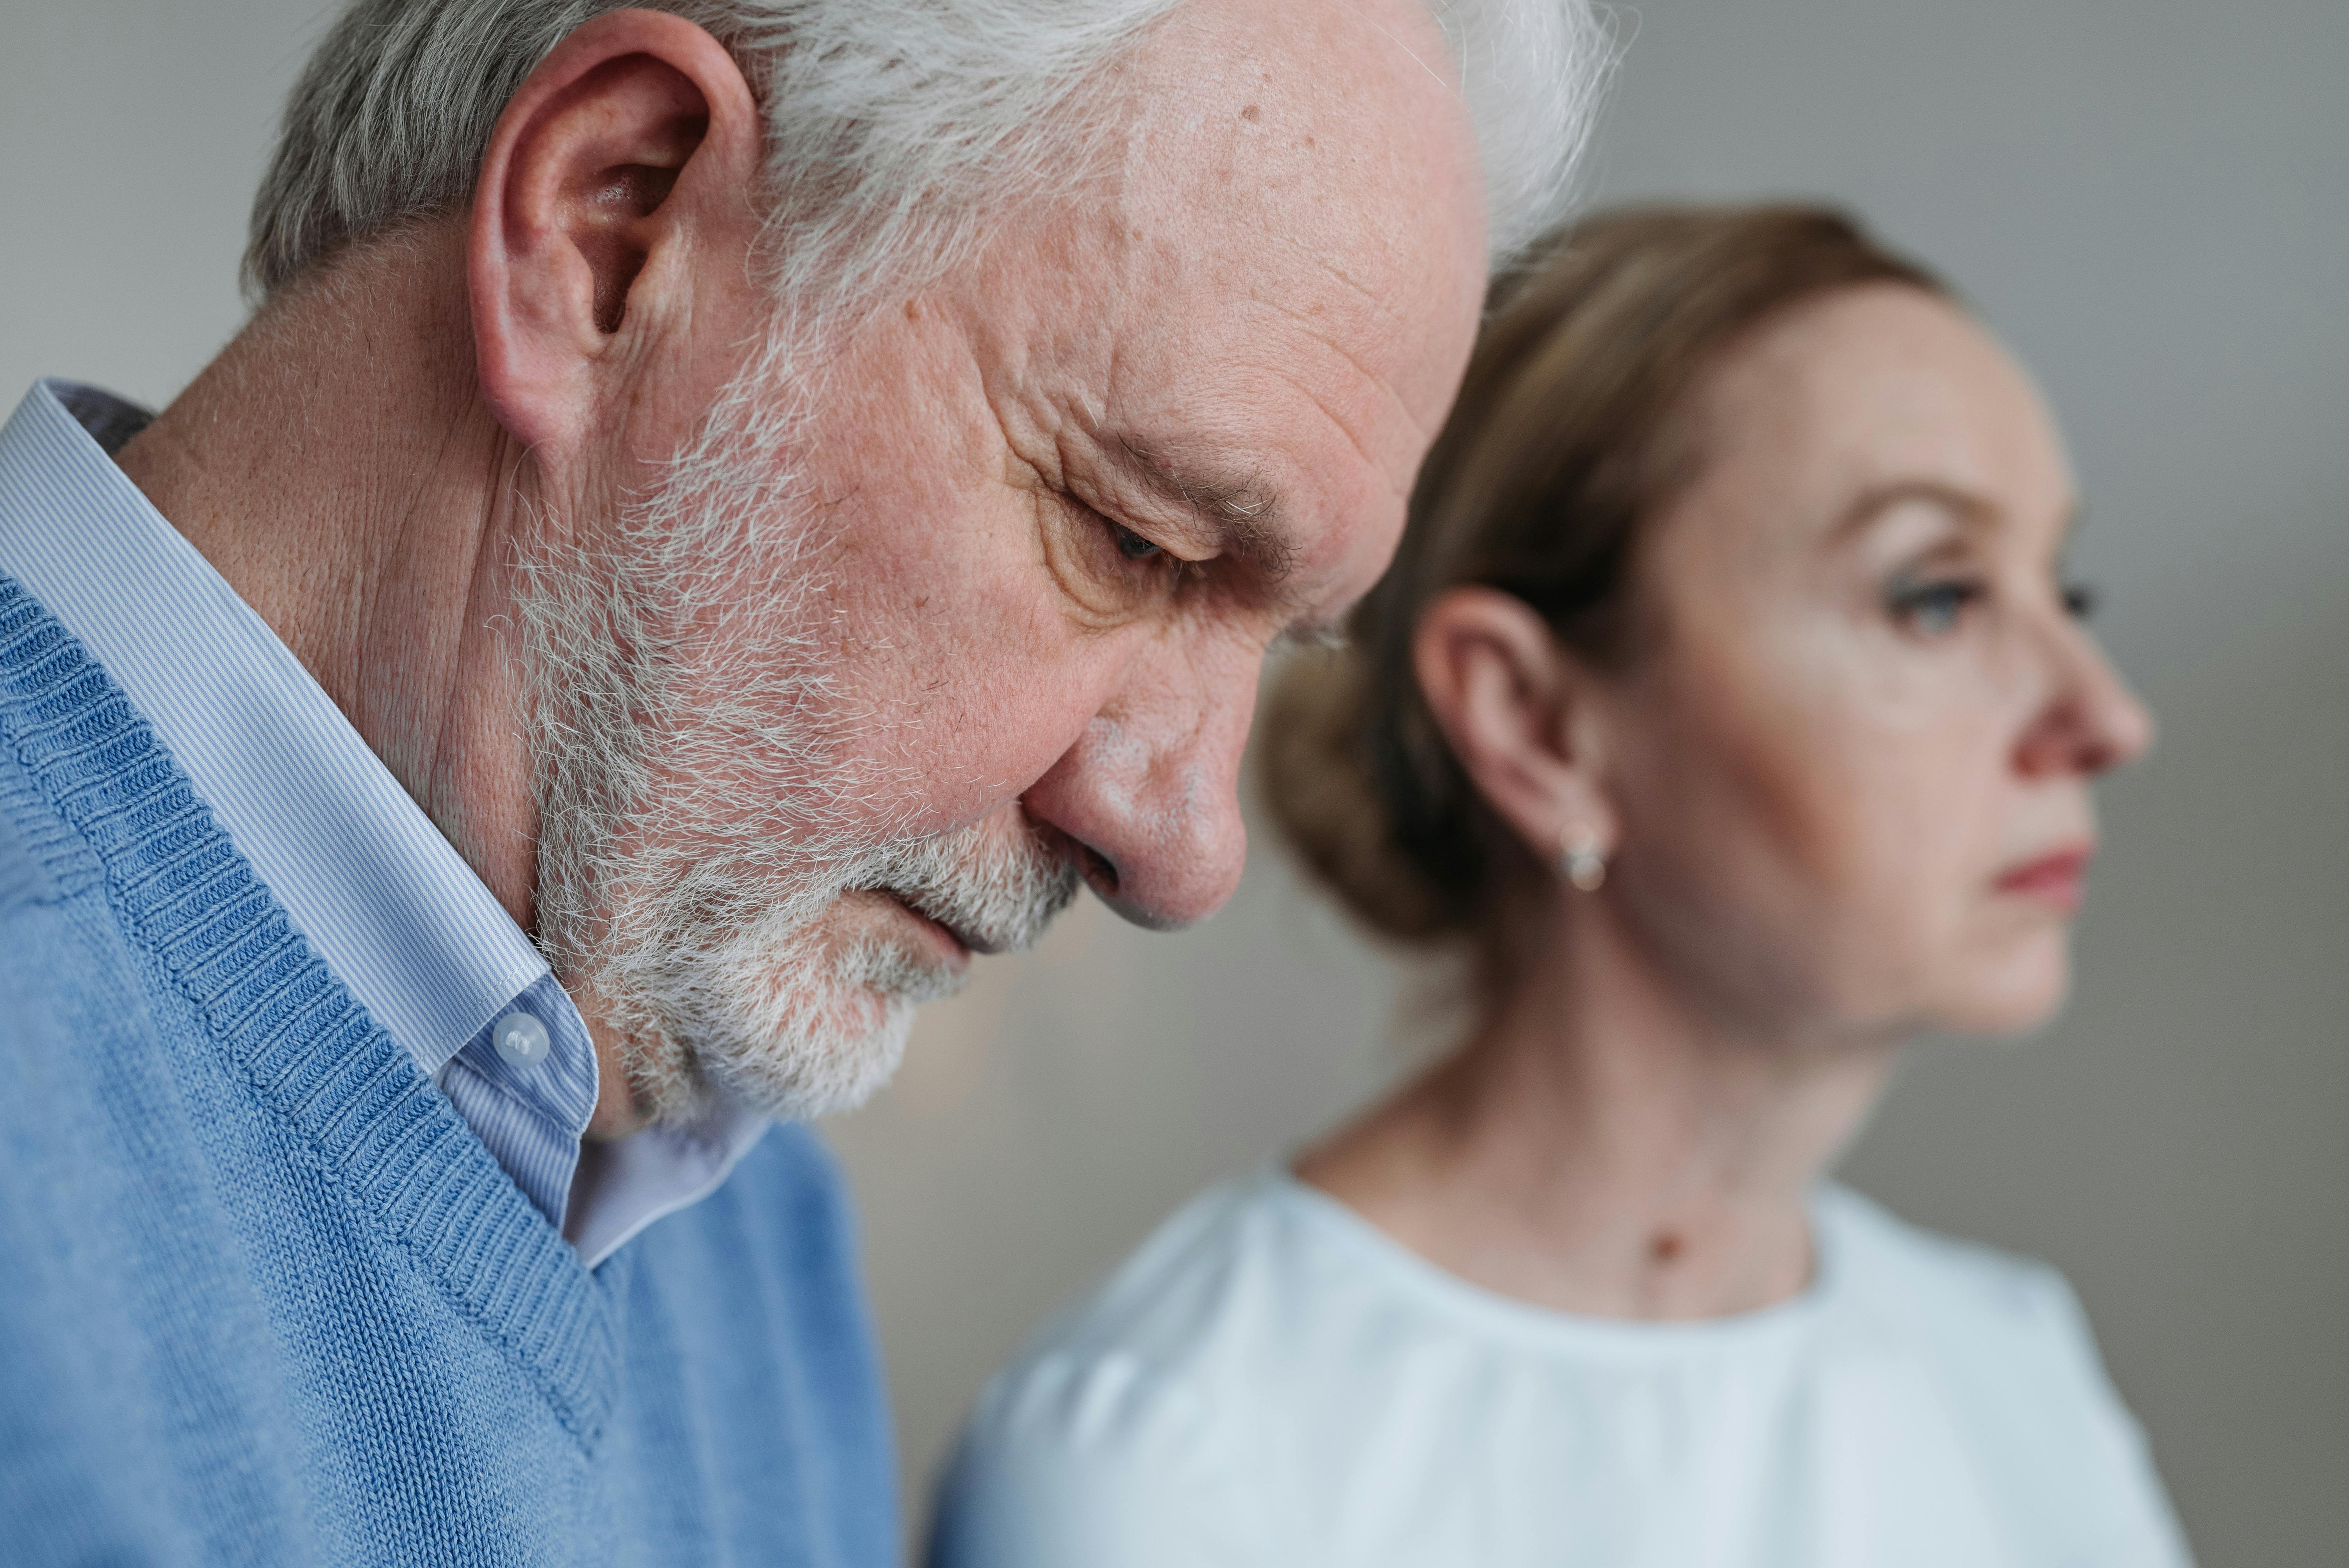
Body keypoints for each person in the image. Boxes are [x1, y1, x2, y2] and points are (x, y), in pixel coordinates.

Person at [0, 0, 1607, 1560]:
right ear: (612, 231)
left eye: (1288, 637)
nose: (1184, 848)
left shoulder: (752, 1226)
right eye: (1137, 539)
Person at [929, 206, 2196, 1567]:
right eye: (1934, 598)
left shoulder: (2017, 1372)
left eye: (2068, 591)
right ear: (1536, 724)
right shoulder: (1166, 1451)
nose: (2106, 717)